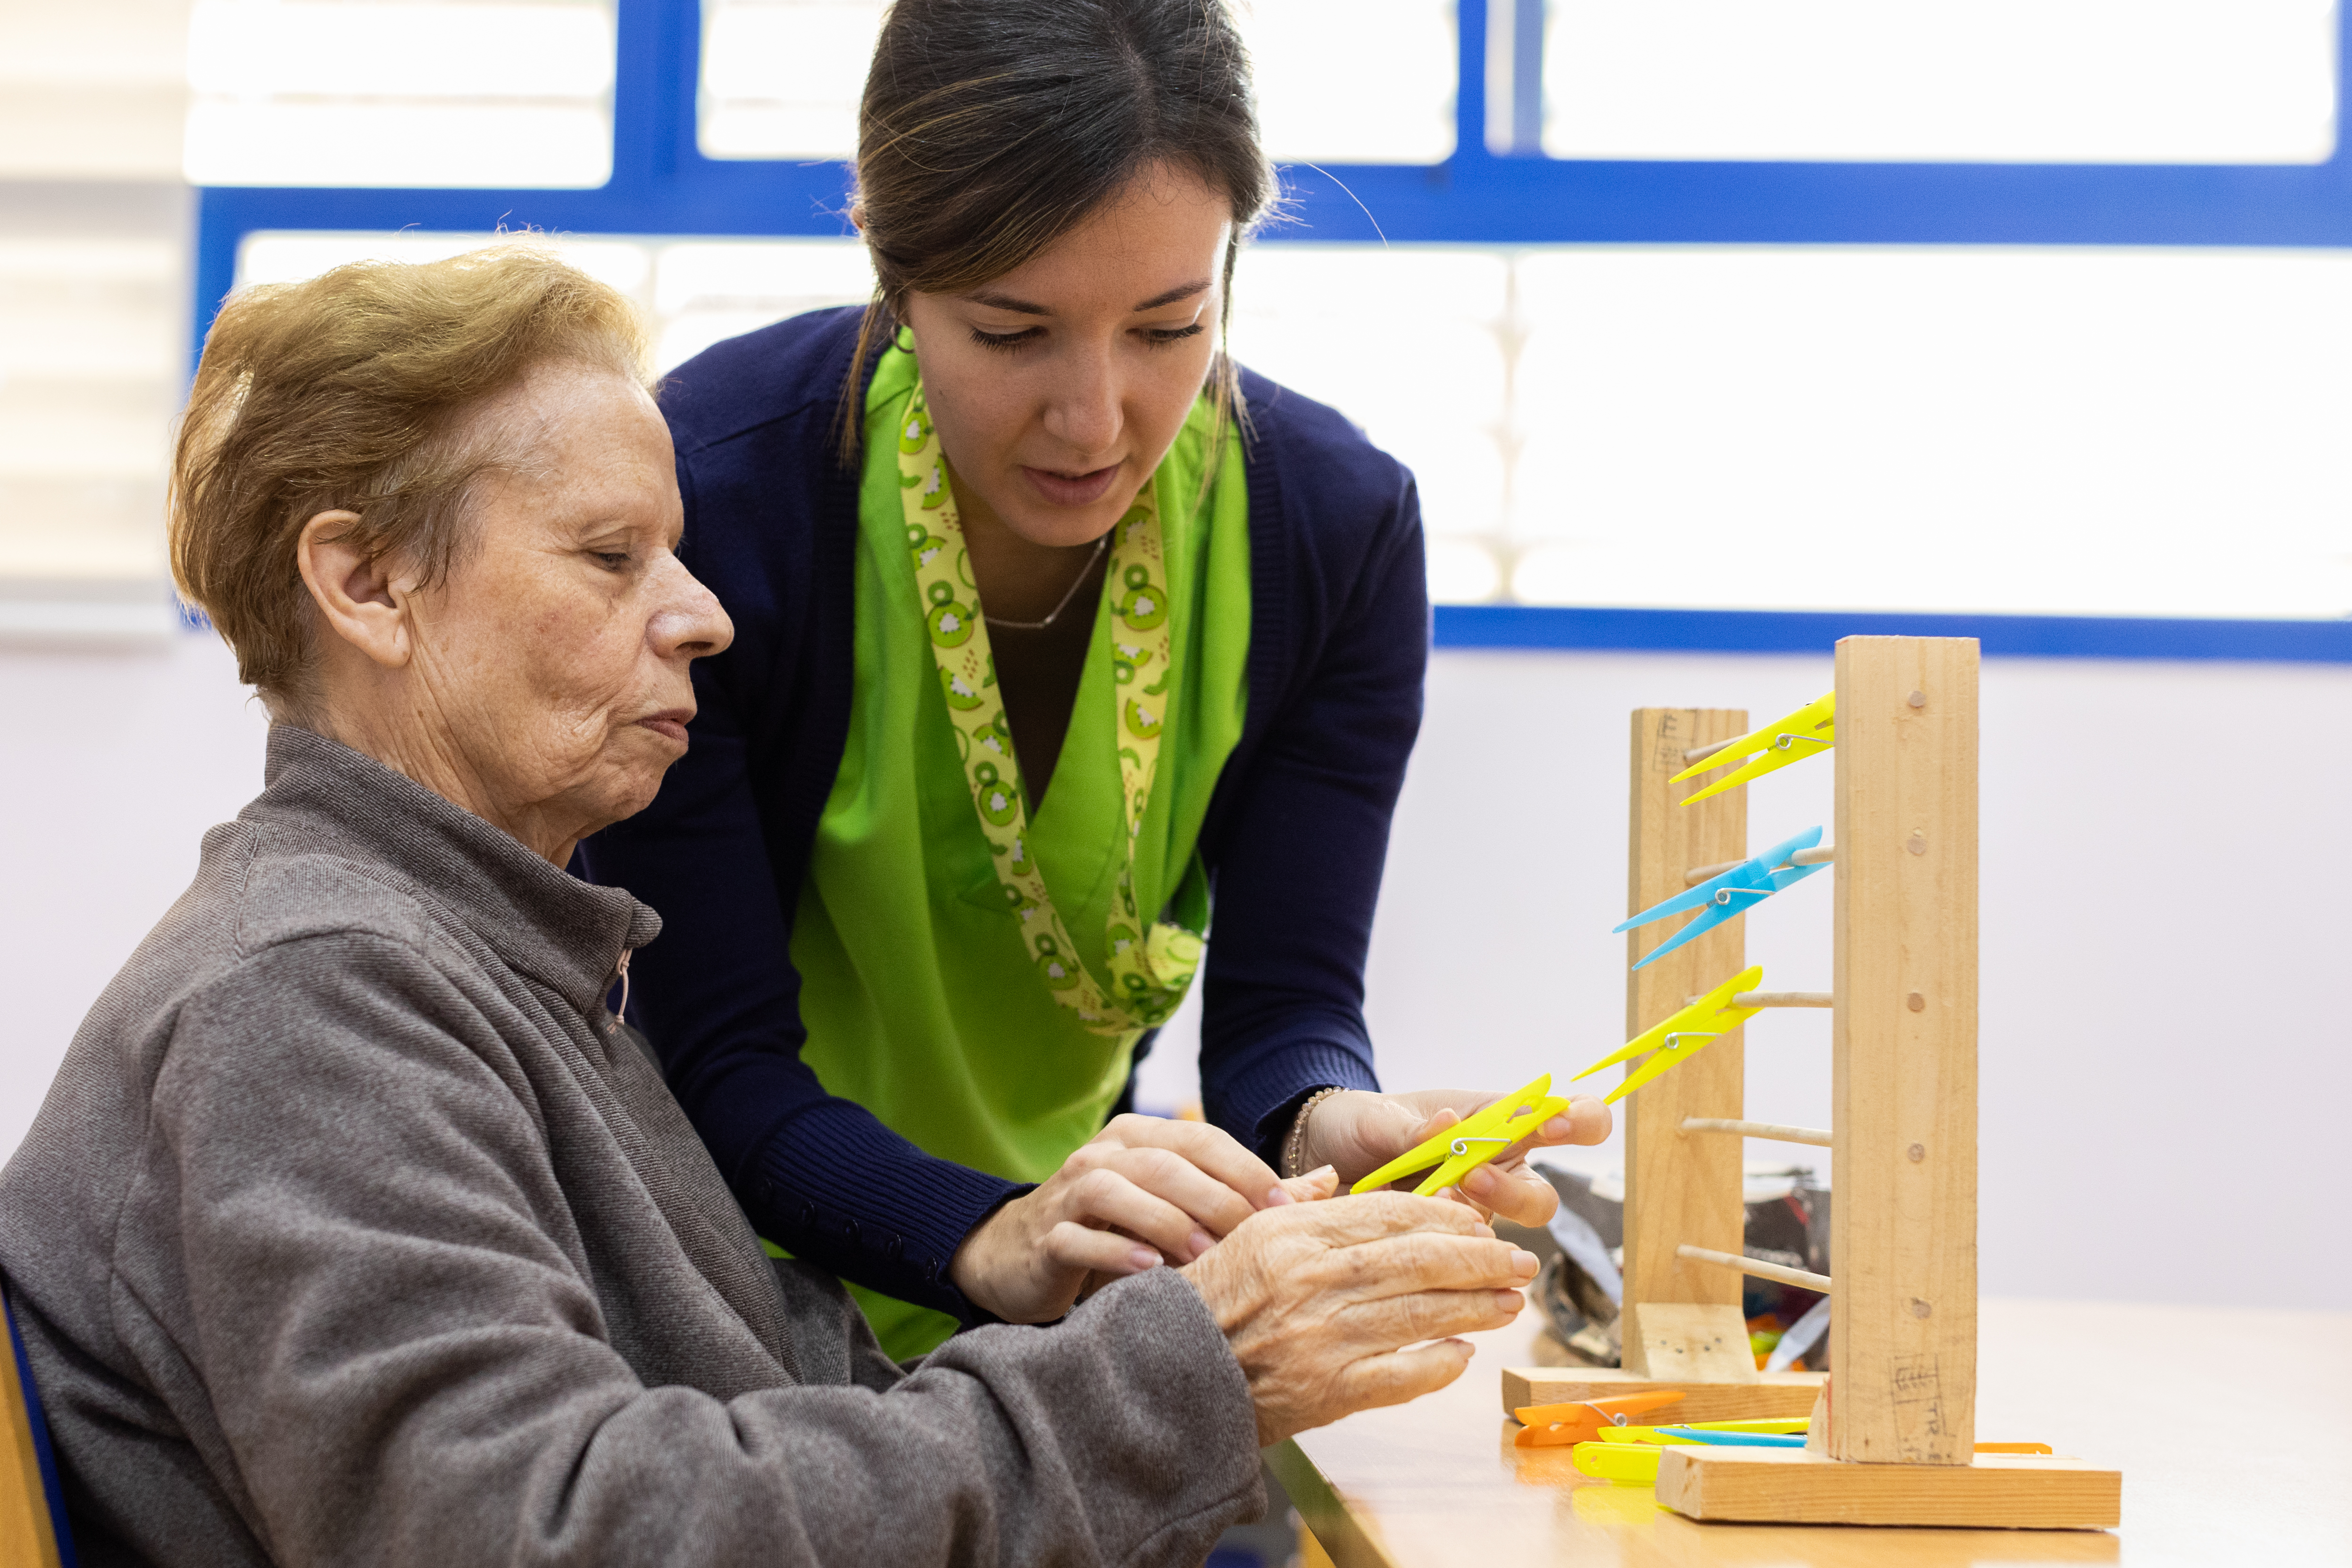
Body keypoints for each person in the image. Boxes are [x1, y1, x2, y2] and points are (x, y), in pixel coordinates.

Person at [0, 249, 1545, 1567]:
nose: (706, 613)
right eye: (611, 559)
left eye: (670, 550)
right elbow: (551, 1533)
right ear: (368, 586)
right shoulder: (314, 997)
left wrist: (1133, 1315)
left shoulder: (488, 967)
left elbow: (774, 1429)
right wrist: (1191, 1362)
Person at [584, 0, 1610, 1359]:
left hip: (1059, 1310)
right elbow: (709, 1058)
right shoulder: (714, 494)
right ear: (888, 269)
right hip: (704, 1300)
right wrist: (995, 1232)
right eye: (1010, 334)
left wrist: (1321, 1116)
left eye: (1168, 325)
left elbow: (1283, 1011)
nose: (1093, 417)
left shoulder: (1331, 528)